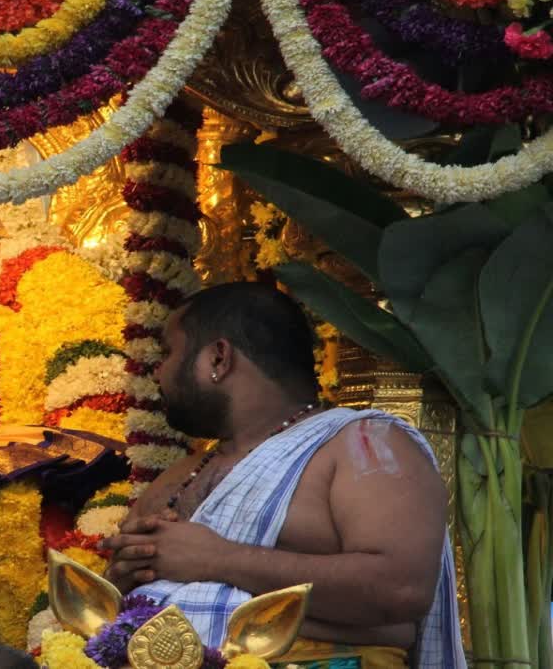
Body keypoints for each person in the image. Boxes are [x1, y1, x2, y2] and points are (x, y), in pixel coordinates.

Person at [100, 282, 465, 669]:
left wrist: (217, 559)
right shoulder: (182, 474)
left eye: (168, 353)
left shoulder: (361, 444)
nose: (158, 372)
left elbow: (401, 588)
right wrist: (122, 581)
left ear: (218, 359)